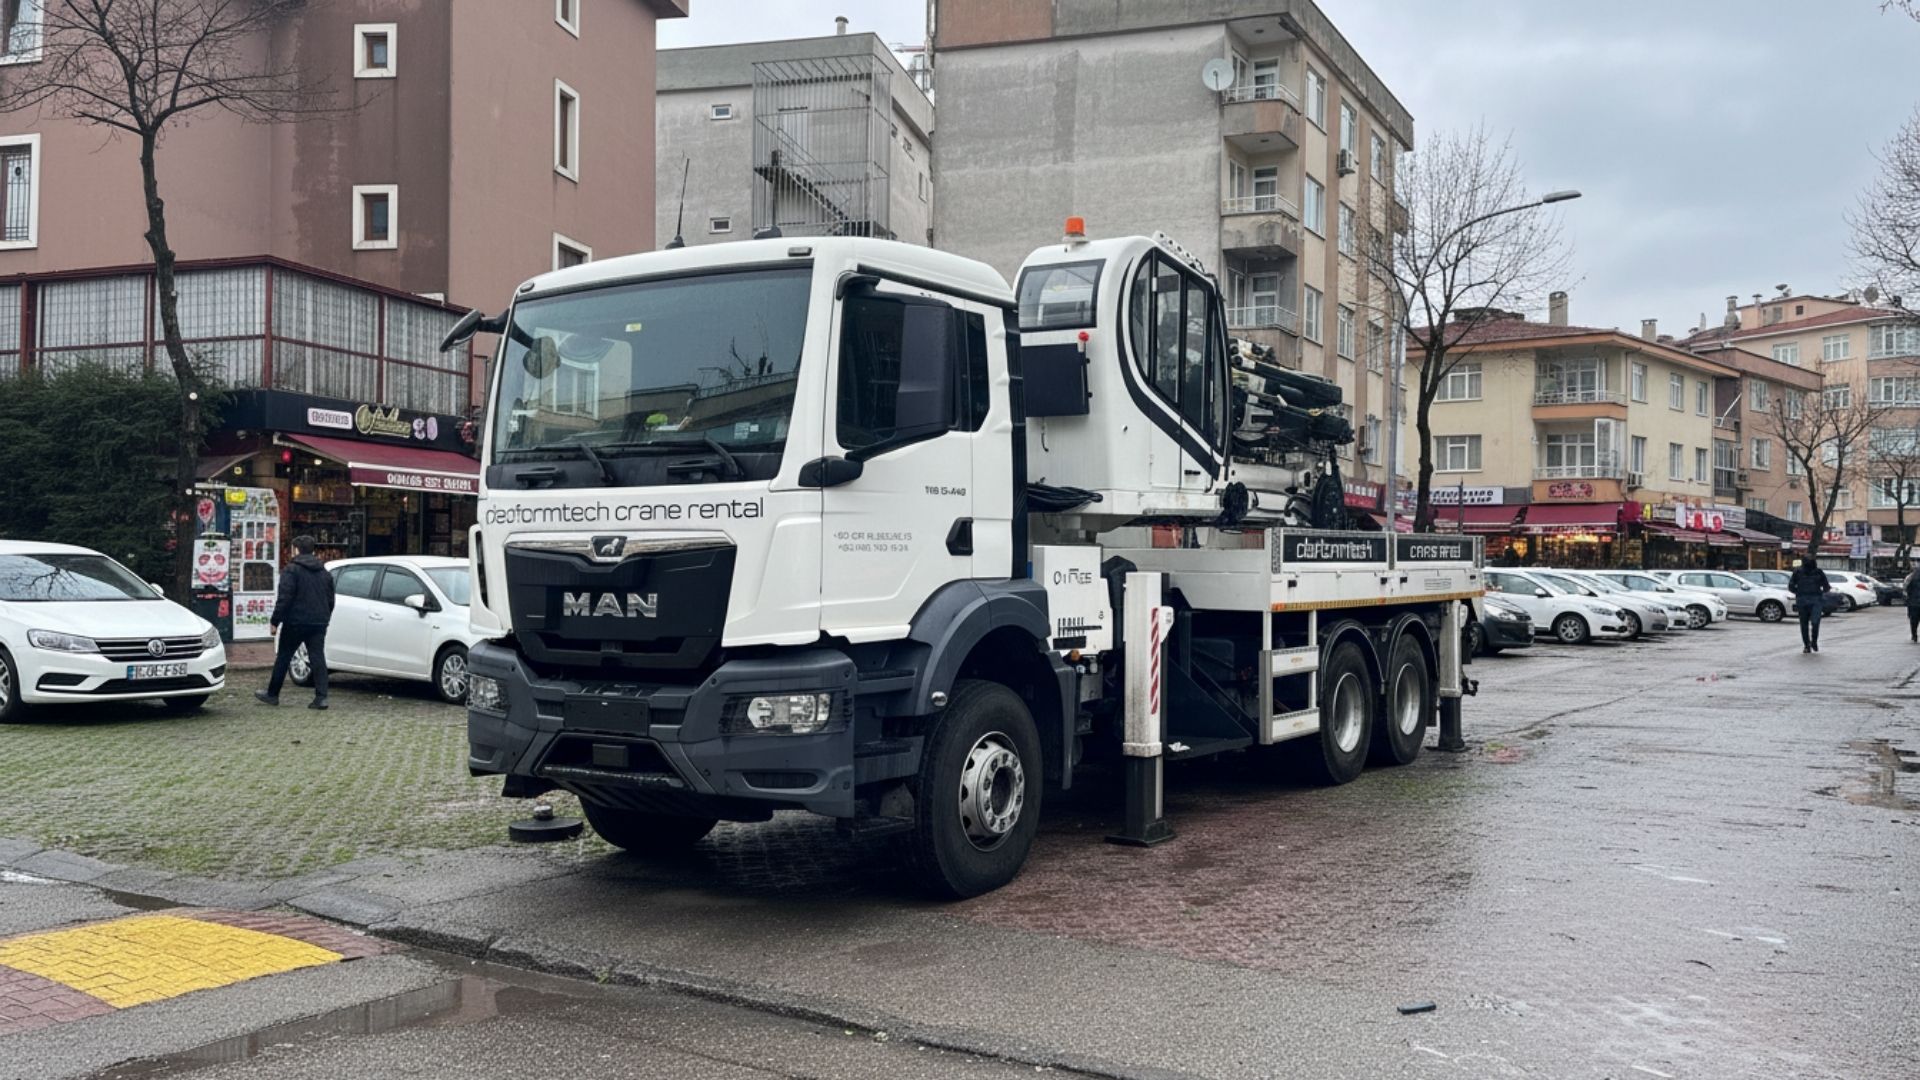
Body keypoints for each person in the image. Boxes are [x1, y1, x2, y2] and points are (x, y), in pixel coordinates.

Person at [256, 535, 335, 709]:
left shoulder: (291, 570)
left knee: (284, 656)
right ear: (313, 550)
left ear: (296, 549)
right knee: (317, 657)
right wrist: (325, 617)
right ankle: (321, 697)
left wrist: (275, 621)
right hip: (318, 621)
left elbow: (285, 598)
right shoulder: (324, 573)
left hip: (296, 621)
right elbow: (331, 600)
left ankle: (272, 694)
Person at [1788, 554, 1832, 654]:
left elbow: (1826, 586)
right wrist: (1798, 593)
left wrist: (1822, 592)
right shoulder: (1798, 572)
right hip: (1803, 600)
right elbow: (1791, 586)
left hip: (1815, 600)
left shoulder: (1818, 572)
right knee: (1804, 624)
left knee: (1815, 622)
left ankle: (1814, 641)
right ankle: (1807, 645)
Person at [1905, 565, 1920, 642]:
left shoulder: (1911, 577)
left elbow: (1906, 588)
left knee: (1914, 621)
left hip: (1913, 603)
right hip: (1914, 602)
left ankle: (1914, 635)